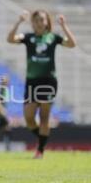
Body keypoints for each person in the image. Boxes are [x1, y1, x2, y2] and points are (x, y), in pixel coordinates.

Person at [7, 10, 76, 158]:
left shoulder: (53, 37)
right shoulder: (28, 37)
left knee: (44, 117)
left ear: (47, 22)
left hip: (48, 81)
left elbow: (71, 44)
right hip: (32, 82)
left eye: (42, 20)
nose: (39, 23)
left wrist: (64, 26)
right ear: (32, 23)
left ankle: (40, 150)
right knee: (29, 118)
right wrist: (18, 22)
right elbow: (10, 39)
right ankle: (42, 139)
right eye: (36, 20)